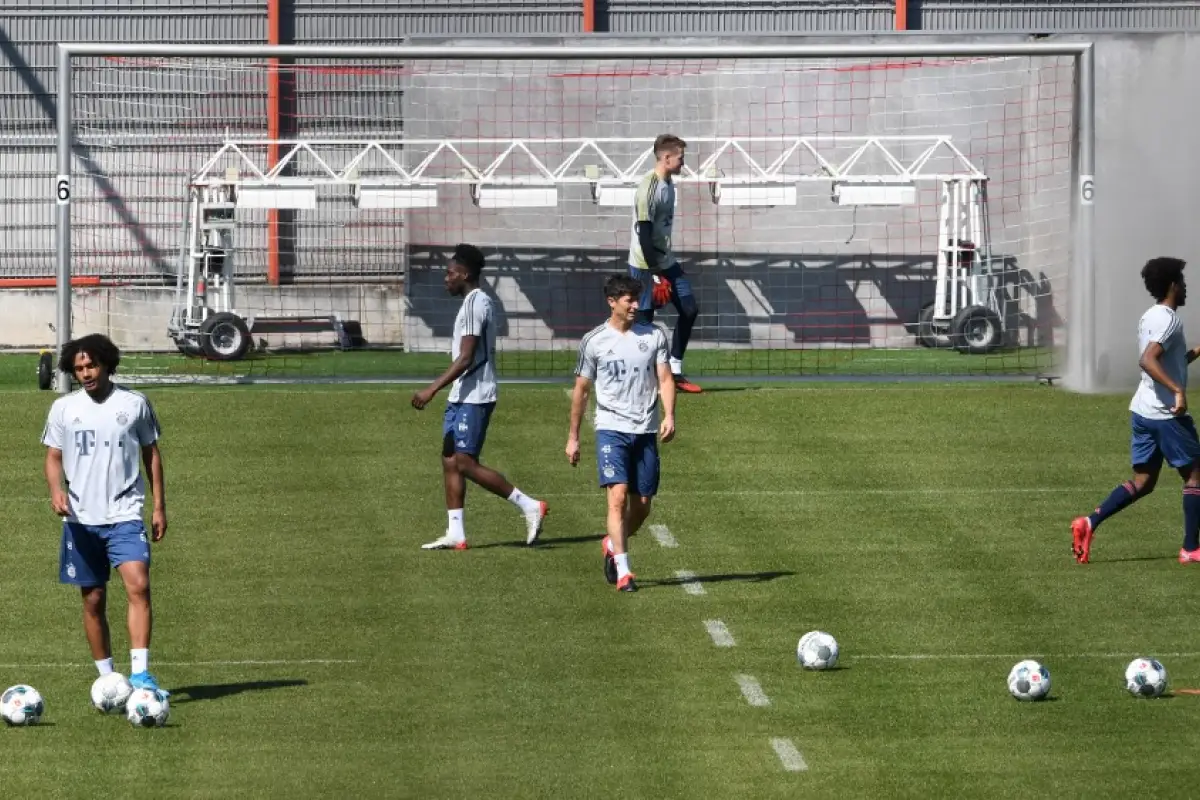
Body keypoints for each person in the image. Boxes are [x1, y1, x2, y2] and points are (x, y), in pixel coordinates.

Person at [41, 333, 168, 693]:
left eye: (91, 365)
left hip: (126, 515)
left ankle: (141, 675)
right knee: (93, 599)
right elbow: (53, 456)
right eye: (79, 368)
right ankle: (108, 679)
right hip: (81, 520)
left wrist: (158, 506)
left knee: (139, 586)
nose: (86, 373)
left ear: (107, 364)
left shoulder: (135, 404)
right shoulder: (64, 409)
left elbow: (152, 454)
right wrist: (55, 490)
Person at [412, 243, 548, 549]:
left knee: (464, 461)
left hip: (476, 396)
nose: (445, 278)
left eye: (450, 273)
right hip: (462, 395)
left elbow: (466, 358)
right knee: (450, 460)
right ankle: (456, 532)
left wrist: (431, 389)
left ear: (465, 274)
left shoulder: (477, 304)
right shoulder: (470, 303)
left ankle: (529, 505)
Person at [1071, 257, 1200, 564]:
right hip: (1165, 413)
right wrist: (1178, 390)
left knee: (1144, 481)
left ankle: (1089, 523)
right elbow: (1148, 360)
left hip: (1143, 410)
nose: (1185, 287)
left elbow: (1170, 362)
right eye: (1182, 281)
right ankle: (1190, 548)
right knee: (1195, 475)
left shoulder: (1150, 317)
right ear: (1172, 286)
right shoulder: (1169, 320)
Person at [566, 274, 677, 592]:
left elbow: (666, 379)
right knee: (616, 499)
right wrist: (573, 436)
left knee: (641, 505)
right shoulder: (594, 341)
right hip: (611, 429)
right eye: (628, 299)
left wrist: (669, 415)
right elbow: (582, 390)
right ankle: (624, 571)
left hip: (645, 430)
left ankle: (612, 545)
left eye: (637, 298)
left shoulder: (653, 335)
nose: (635, 305)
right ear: (612, 302)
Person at [628, 133, 702, 394]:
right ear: (667, 157)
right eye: (681, 158)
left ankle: (676, 370)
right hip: (645, 263)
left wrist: (665, 268)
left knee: (690, 309)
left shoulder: (671, 184)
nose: (684, 162)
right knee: (644, 323)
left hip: (665, 260)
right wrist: (657, 275)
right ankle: (644, 378)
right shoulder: (648, 188)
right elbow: (644, 235)